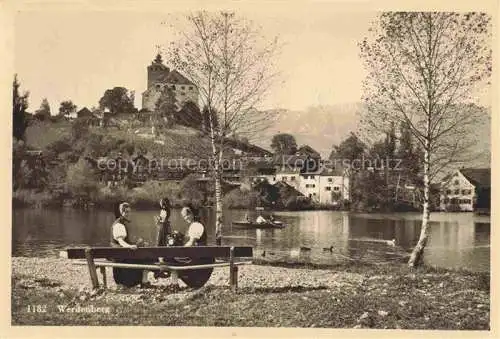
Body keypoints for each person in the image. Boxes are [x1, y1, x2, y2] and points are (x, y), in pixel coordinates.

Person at [110, 201, 152, 288]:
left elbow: (123, 242)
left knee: (145, 254)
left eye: (129, 211)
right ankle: (144, 281)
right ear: (121, 212)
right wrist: (130, 246)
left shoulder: (121, 223)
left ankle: (144, 281)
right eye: (126, 212)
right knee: (146, 257)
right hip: (121, 258)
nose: (128, 214)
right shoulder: (118, 225)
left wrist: (137, 244)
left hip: (122, 255)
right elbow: (120, 241)